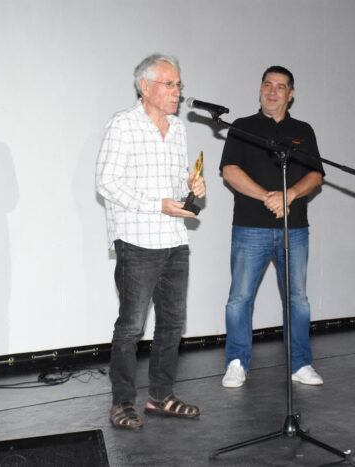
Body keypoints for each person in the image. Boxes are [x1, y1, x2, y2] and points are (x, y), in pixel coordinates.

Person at [96, 54, 205, 429]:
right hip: (137, 241)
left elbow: (176, 184)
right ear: (145, 87)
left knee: (172, 325)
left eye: (179, 85)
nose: (177, 92)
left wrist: (193, 190)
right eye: (169, 84)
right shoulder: (123, 125)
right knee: (131, 328)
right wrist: (156, 204)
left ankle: (161, 396)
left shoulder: (178, 128)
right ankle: (122, 403)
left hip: (174, 240)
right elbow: (107, 182)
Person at [219, 65, 325, 388]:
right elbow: (230, 171)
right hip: (249, 227)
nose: (273, 91)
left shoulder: (302, 130)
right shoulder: (242, 127)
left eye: (280, 86)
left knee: (297, 299)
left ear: (291, 95)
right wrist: (268, 196)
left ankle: (300, 364)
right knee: (240, 297)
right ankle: (237, 362)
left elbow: (316, 175)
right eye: (268, 84)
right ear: (260, 89)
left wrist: (290, 194)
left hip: (295, 229)